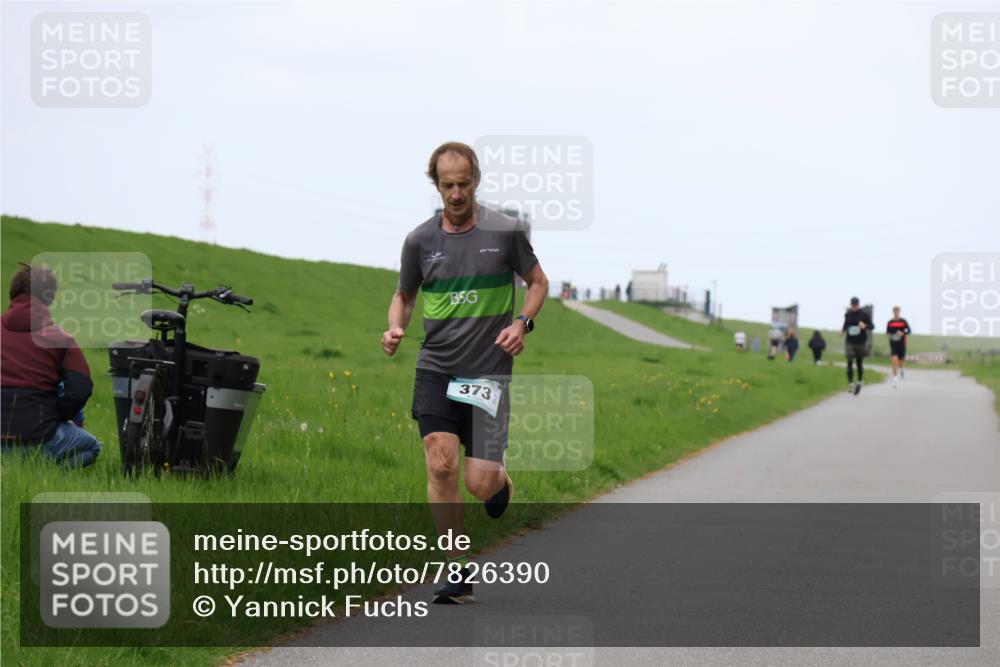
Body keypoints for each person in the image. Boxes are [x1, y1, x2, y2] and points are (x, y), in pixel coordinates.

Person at [381, 142, 548, 605]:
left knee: (479, 484)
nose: (456, 194)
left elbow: (537, 283)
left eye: (464, 184)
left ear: (476, 180)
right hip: (436, 367)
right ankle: (455, 567)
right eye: (447, 185)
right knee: (441, 462)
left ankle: (501, 480)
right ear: (435, 184)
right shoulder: (419, 241)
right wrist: (396, 326)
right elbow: (405, 296)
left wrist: (522, 323)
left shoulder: (506, 232)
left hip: (488, 374)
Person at [1, 263, 100, 467]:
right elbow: (81, 389)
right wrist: (58, 416)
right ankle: (46, 472)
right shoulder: (61, 338)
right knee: (92, 447)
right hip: (40, 435)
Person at [841, 296, 874, 395]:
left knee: (859, 363)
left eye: (855, 305)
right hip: (850, 341)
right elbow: (845, 325)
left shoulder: (864, 314)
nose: (854, 307)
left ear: (858, 305)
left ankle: (859, 381)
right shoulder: (847, 314)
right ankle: (851, 383)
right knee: (849, 361)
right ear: (850, 305)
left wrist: (865, 326)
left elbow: (872, 326)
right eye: (852, 305)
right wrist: (842, 331)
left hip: (860, 342)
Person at [886, 306, 912, 388]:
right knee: (894, 361)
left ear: (899, 312)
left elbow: (909, 330)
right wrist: (888, 335)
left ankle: (902, 370)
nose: (896, 312)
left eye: (897, 311)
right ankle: (895, 380)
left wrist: (902, 333)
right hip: (893, 344)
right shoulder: (890, 322)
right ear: (893, 312)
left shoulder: (903, 321)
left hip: (901, 344)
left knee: (900, 362)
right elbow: (887, 332)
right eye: (895, 311)